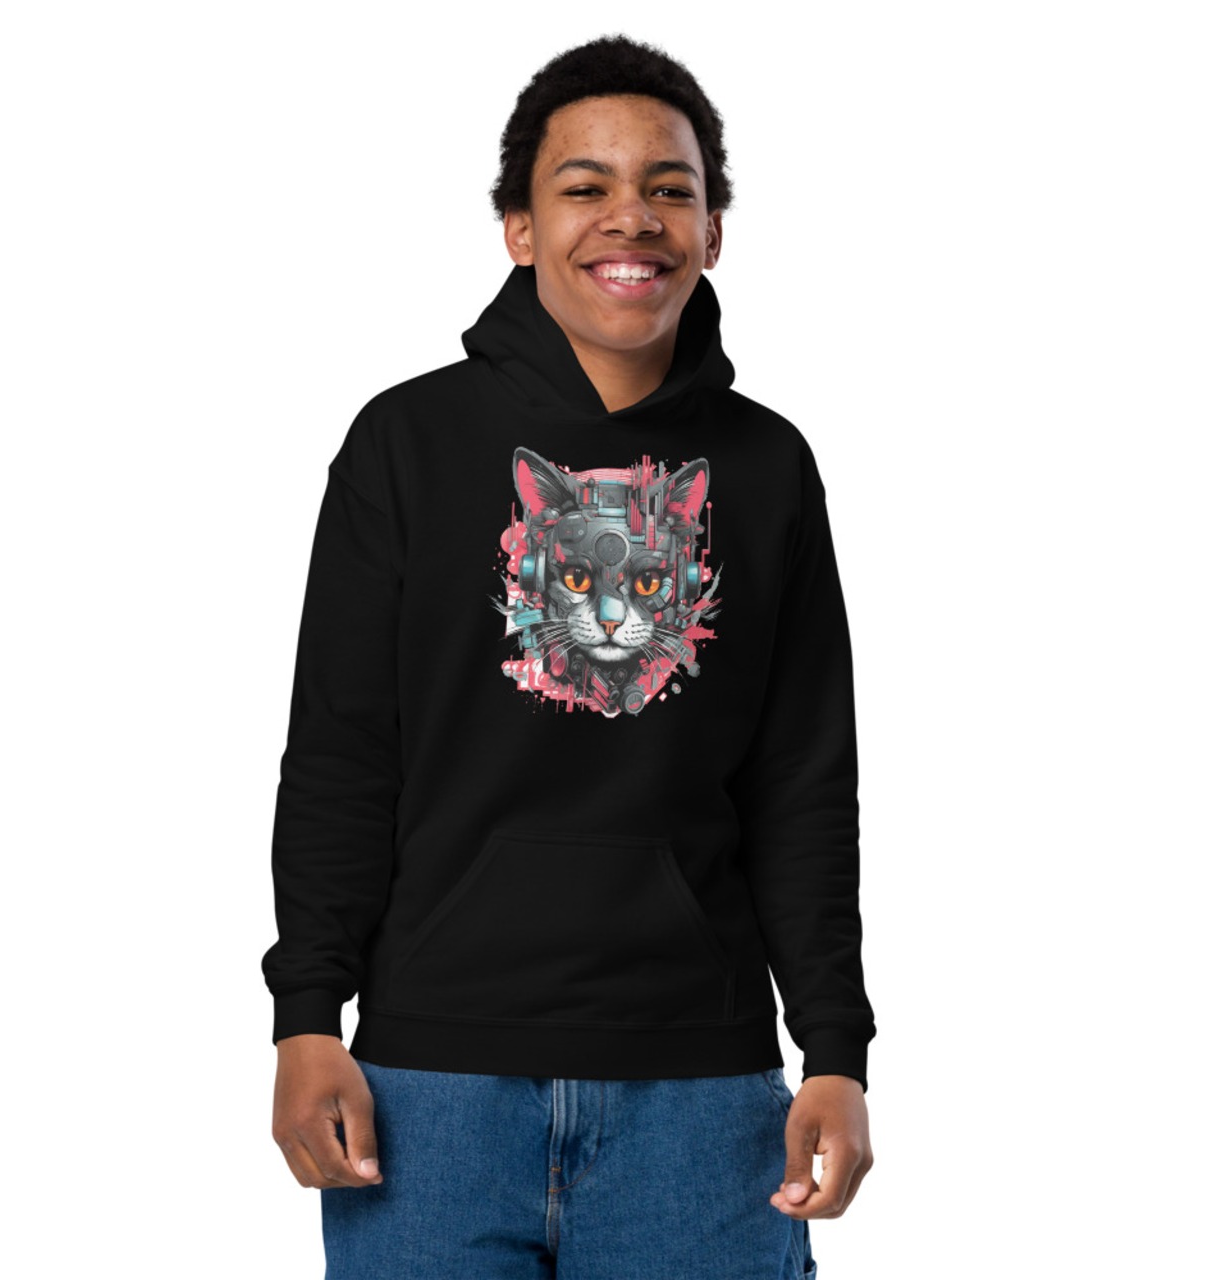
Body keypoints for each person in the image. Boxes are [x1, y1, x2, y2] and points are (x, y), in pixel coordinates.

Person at [263, 33, 876, 1279]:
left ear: (712, 230)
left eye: (669, 187)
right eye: (583, 185)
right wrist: (305, 1016)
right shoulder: (405, 443)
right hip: (430, 1088)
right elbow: (340, 754)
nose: (630, 216)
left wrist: (834, 1049)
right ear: (519, 227)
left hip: (700, 1096)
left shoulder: (765, 468)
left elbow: (801, 782)